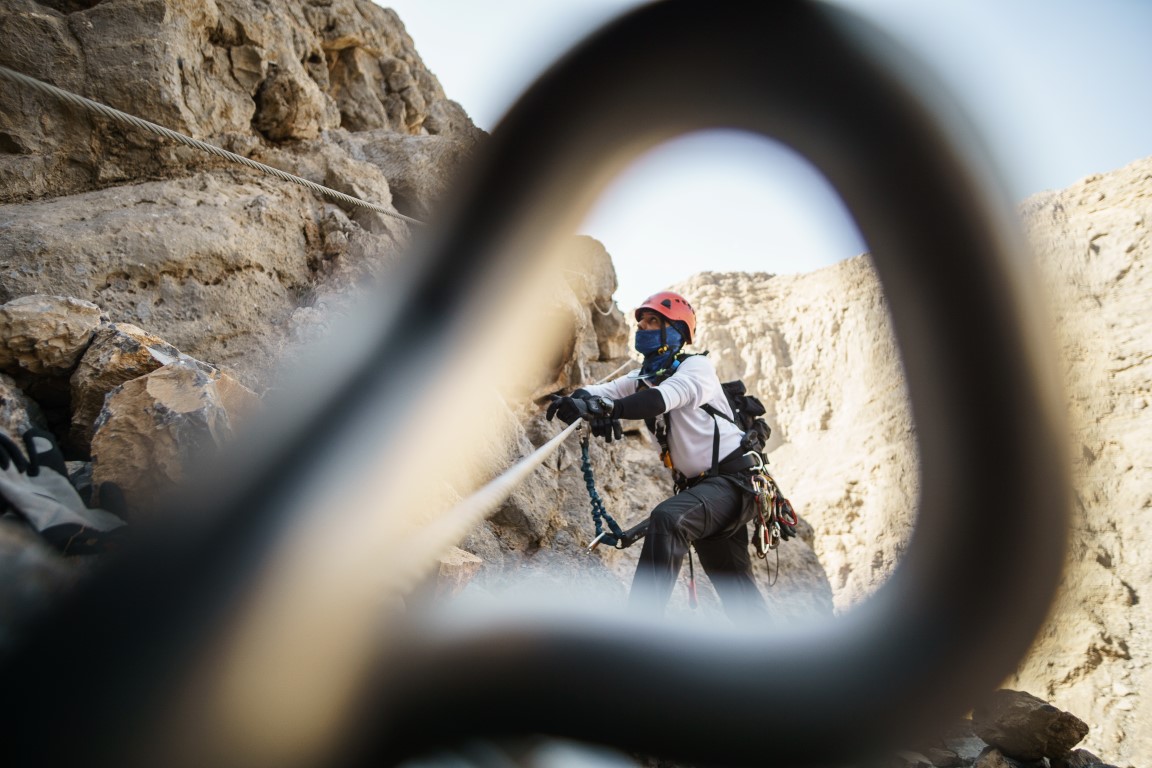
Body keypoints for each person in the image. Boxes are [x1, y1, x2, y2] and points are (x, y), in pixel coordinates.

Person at [546, 291, 769, 624]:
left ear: (676, 331)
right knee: (738, 593)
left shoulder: (697, 368)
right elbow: (602, 392)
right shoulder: (643, 377)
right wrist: (575, 401)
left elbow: (662, 399)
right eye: (641, 322)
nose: (643, 328)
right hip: (706, 493)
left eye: (654, 322)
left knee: (668, 518)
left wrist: (612, 410)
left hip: (735, 483)